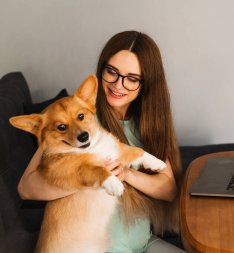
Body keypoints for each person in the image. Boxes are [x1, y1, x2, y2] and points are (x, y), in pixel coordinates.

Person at [18, 31, 185, 253]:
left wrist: (126, 174)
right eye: (112, 72)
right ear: (102, 69)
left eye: (132, 79)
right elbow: (26, 188)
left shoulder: (148, 123)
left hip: (143, 242)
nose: (118, 84)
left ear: (147, 83)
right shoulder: (79, 120)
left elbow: (169, 190)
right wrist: (92, 175)